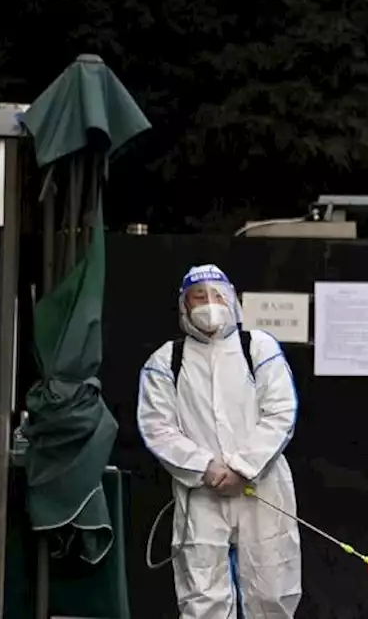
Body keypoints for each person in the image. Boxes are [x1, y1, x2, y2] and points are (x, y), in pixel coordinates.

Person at [138, 264, 301, 618]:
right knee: (201, 594)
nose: (209, 304)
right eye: (199, 297)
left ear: (232, 300)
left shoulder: (258, 349)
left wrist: (243, 467)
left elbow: (280, 413)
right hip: (200, 492)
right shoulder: (166, 361)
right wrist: (206, 468)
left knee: (272, 588)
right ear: (184, 306)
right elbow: (157, 427)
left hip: (262, 488)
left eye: (217, 296)